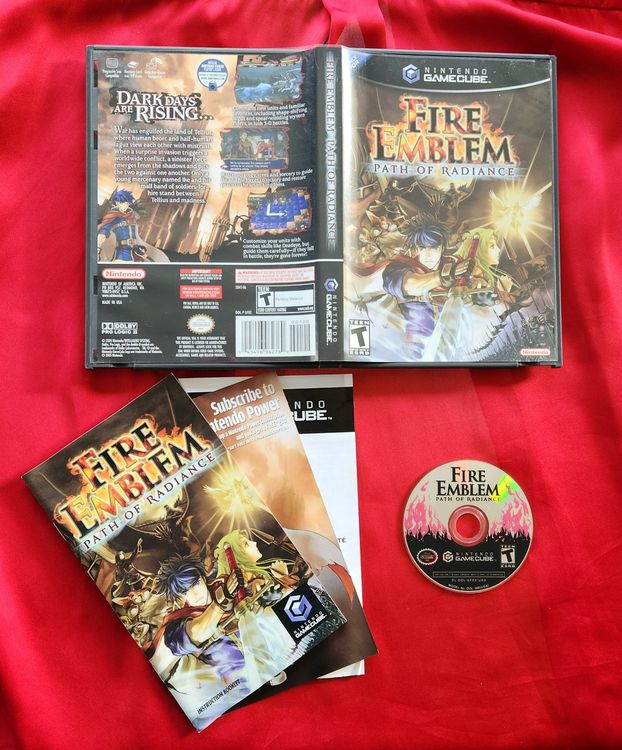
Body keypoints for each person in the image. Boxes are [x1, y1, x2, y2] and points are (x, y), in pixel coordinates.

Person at [381, 217, 473, 359]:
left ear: (442, 248)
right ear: (416, 248)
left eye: (434, 248)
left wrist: (480, 296)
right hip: (413, 349)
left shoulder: (455, 266)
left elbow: (467, 303)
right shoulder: (399, 267)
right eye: (423, 248)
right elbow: (409, 285)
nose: (428, 254)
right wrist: (443, 276)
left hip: (452, 348)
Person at [97, 189, 147, 262]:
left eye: (127, 203)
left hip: (134, 252)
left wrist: (137, 248)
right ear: (117, 203)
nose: (126, 205)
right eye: (123, 202)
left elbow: (133, 236)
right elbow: (104, 229)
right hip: (122, 253)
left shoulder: (131, 216)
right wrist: (98, 247)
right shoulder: (113, 215)